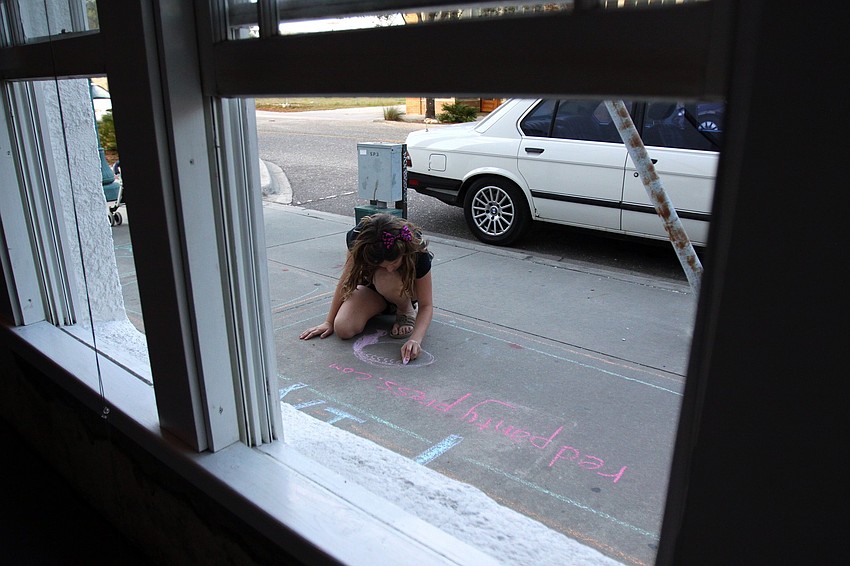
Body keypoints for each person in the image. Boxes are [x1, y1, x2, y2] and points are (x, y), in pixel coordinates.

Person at [299, 213, 434, 364]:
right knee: (343, 328)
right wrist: (329, 322)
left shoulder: (416, 248)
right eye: (383, 264)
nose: (390, 268)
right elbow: (346, 279)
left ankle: (405, 309)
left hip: (405, 290)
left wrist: (415, 339)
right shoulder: (359, 238)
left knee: (386, 277)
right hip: (373, 289)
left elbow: (426, 305)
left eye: (395, 262)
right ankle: (381, 307)